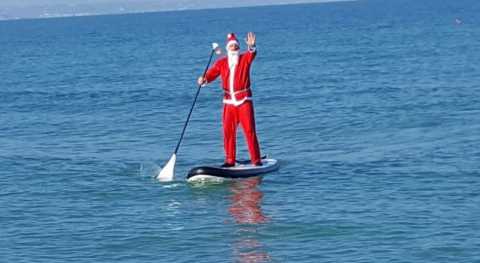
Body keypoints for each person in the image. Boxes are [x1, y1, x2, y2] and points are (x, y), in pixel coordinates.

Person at [197, 32, 262, 167]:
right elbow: (212, 73)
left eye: (235, 46)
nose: (233, 48)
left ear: (238, 48)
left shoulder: (245, 59)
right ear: (227, 48)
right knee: (228, 131)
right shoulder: (221, 63)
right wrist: (205, 79)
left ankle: (256, 160)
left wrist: (252, 46)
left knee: (249, 130)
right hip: (229, 102)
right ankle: (229, 160)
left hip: (244, 101)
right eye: (231, 46)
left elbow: (252, 54)